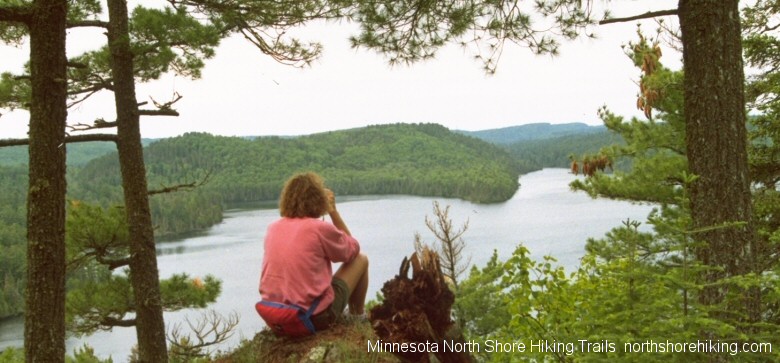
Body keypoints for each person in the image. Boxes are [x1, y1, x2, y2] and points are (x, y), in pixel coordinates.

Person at [259, 172, 369, 331]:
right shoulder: (318, 228)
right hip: (311, 319)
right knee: (361, 259)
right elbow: (352, 250)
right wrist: (333, 212)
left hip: (276, 319)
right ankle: (357, 318)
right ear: (318, 200)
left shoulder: (273, 228)